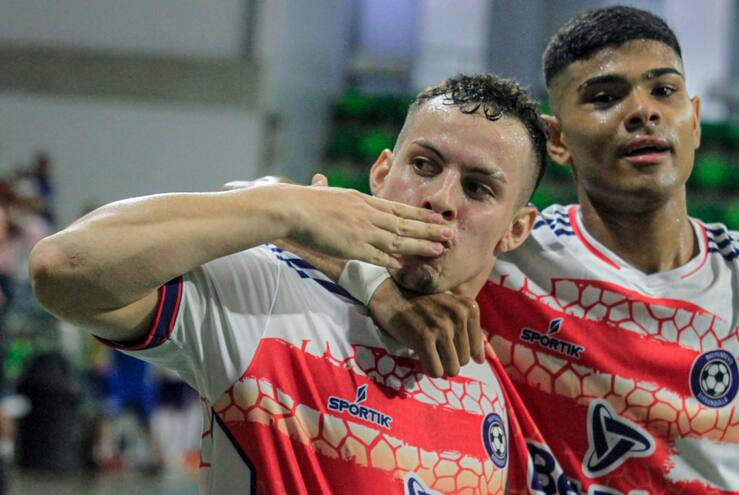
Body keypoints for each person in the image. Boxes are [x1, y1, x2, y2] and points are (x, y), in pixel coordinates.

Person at [340, 6, 739, 494]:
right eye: (605, 97)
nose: (643, 112)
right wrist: (382, 290)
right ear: (556, 141)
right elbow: (299, 220)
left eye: (663, 92)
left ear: (693, 119)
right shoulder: (503, 253)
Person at [28, 73, 546, 494]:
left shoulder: (496, 380)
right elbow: (63, 267)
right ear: (382, 172)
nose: (439, 198)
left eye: (477, 187)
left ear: (516, 229)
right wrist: (285, 207)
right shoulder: (272, 296)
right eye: (423, 165)